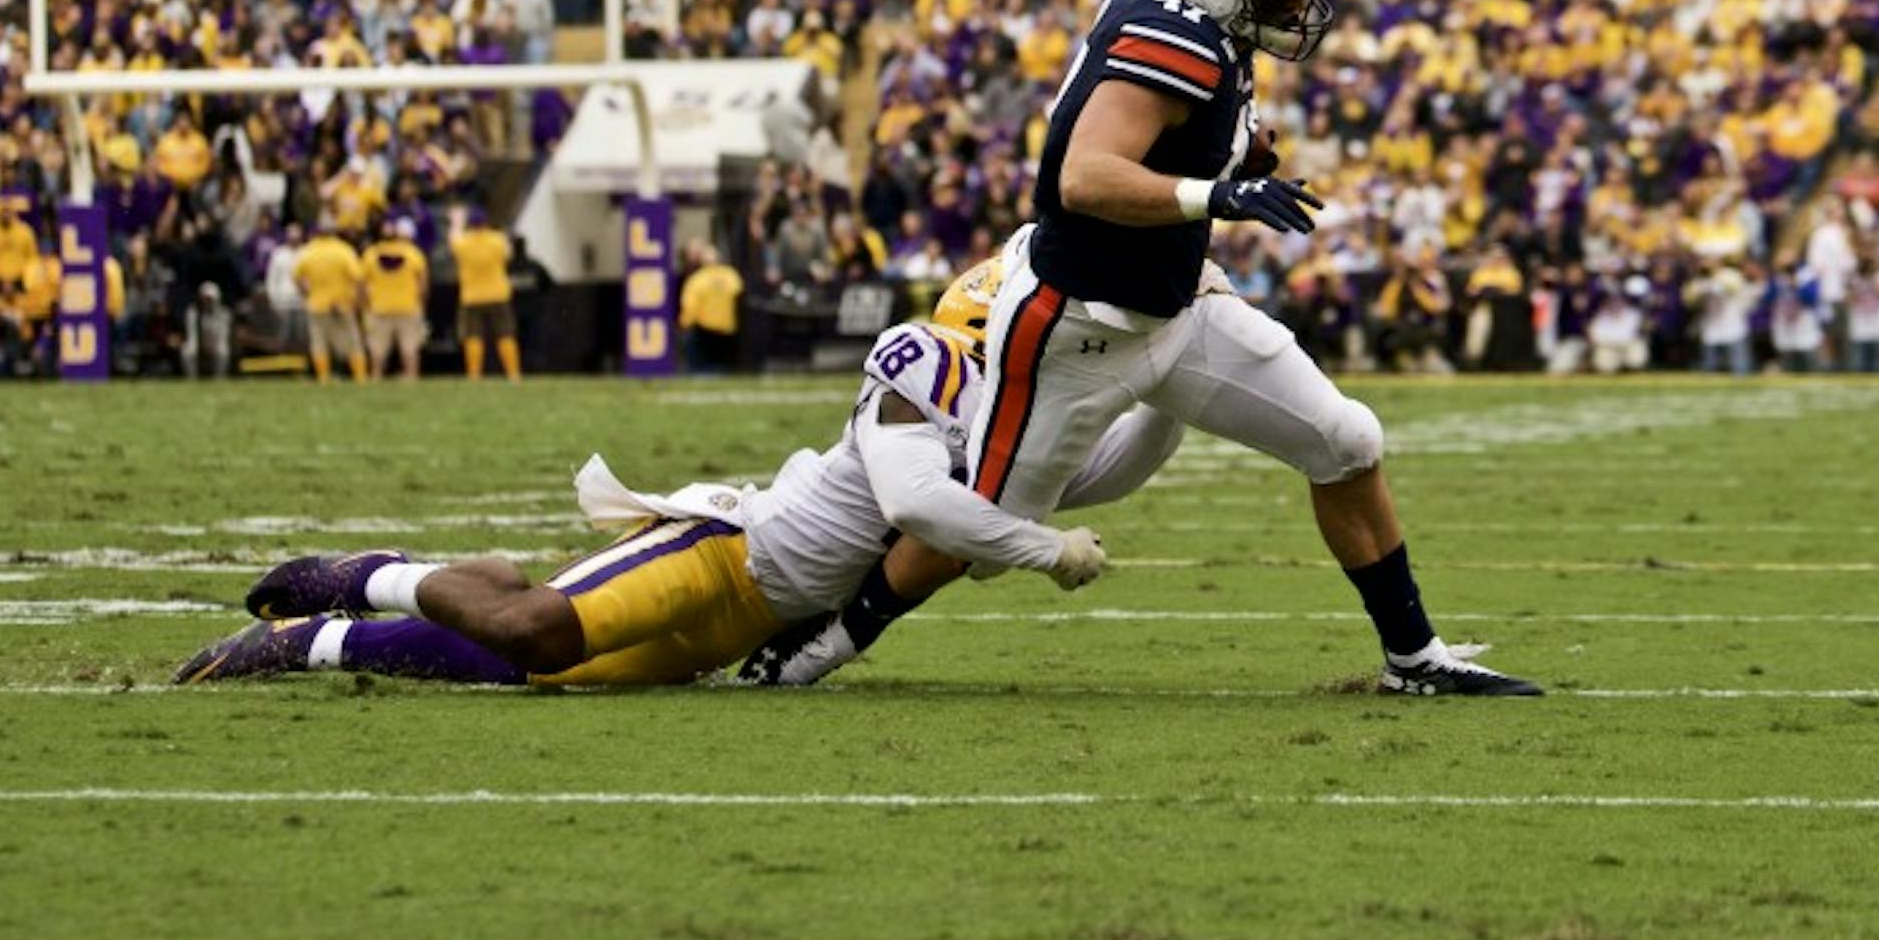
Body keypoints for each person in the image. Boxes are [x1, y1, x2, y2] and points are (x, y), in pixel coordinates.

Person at [747, 0, 1537, 698]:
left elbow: (1180, 126)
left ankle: (1414, 659)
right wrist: (1216, 195)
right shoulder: (1177, 40)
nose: (1290, 9)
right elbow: (1085, 177)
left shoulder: (1184, 4)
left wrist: (1236, 156)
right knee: (981, 534)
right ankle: (829, 640)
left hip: (1179, 308)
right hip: (1075, 328)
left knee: (1345, 443)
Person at [173, 269, 1171, 686]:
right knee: (534, 626)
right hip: (723, 554)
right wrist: (1043, 550)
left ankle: (311, 645)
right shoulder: (924, 364)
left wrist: (1175, 374)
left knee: (537, 667)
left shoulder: (1014, 427)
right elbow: (919, 504)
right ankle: (365, 580)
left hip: (748, 621)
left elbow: (1113, 467)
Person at [450, 205, 519, 380]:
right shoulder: (498, 239)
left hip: (471, 296)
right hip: (498, 294)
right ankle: (513, 374)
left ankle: (474, 375)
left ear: (470, 224)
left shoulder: (463, 242)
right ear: (486, 223)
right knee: (505, 333)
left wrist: (457, 221)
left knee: (473, 336)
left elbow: (453, 239)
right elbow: (509, 255)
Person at [293, 227, 367, 383]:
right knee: (352, 342)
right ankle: (360, 377)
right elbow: (358, 278)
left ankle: (323, 377)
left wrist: (307, 294)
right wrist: (358, 302)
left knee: (319, 342)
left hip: (317, 304)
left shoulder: (309, 251)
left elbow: (297, 277)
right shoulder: (344, 250)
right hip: (341, 304)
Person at [363, 219, 430, 380]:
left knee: (377, 350)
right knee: (410, 348)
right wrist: (422, 303)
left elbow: (362, 285)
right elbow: (423, 283)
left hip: (379, 307)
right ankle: (411, 376)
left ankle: (376, 376)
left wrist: (364, 306)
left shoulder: (370, 255)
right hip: (408, 305)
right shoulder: (413, 253)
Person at [679, 238, 743, 371]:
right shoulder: (731, 275)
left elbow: (690, 308)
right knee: (721, 368)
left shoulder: (697, 279)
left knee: (702, 368)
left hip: (705, 330)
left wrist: (684, 325)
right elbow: (738, 292)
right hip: (726, 330)